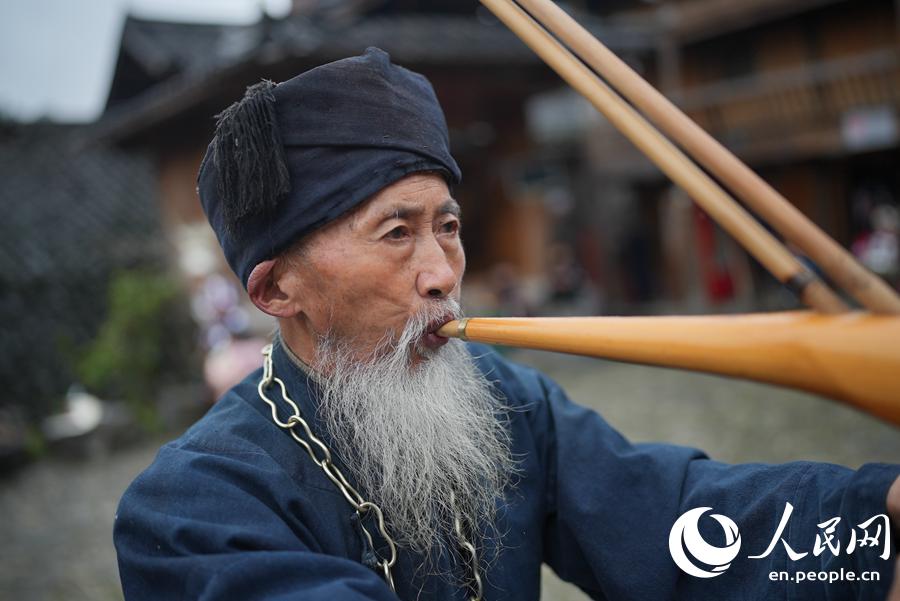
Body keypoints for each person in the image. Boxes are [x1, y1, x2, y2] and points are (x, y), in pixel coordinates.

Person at [114, 48, 900, 601]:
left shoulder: (508, 400)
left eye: (447, 227)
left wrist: (876, 522)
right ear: (278, 288)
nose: (442, 272)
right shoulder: (192, 506)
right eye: (397, 233)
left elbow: (676, 516)